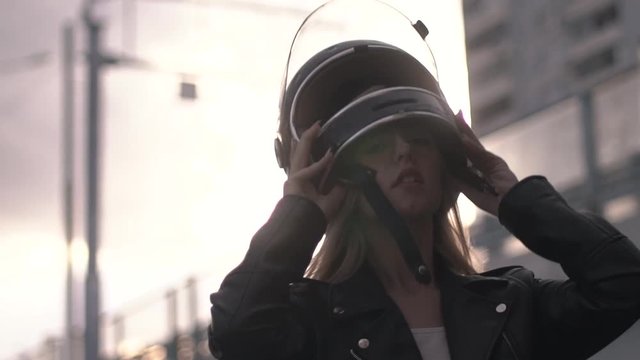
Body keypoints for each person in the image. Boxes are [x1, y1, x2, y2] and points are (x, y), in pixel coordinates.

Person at [208, 1, 640, 359]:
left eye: (418, 137)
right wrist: (298, 216)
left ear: (446, 164)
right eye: (376, 144)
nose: (404, 152)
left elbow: (623, 282)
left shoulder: (512, 305)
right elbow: (236, 337)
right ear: (339, 176)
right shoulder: (311, 322)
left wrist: (516, 200)